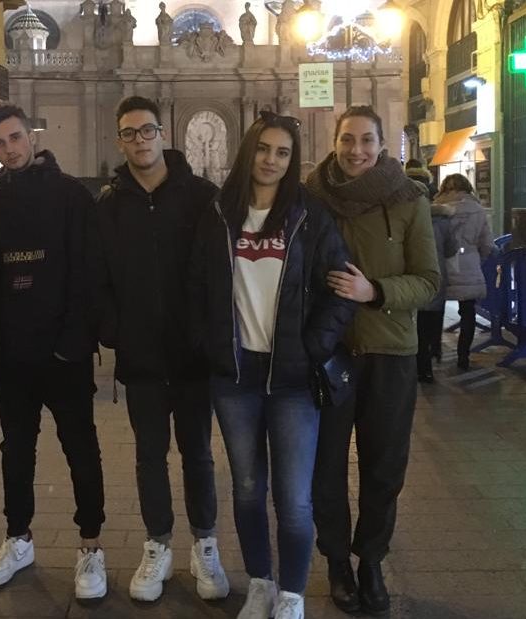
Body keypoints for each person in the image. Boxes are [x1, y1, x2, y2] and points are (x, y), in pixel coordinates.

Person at [190, 111, 355, 619]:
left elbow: (340, 290)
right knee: (246, 488)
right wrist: (211, 345)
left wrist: (313, 348)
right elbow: (197, 288)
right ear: (248, 151)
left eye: (282, 153)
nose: (271, 160)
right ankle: (261, 581)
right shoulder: (220, 213)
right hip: (236, 378)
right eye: (263, 149)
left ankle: (292, 593)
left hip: (293, 380)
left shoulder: (309, 216)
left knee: (294, 498)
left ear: (292, 160)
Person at [88, 96, 228, 603]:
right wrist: (115, 331)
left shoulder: (202, 197)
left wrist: (207, 333)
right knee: (149, 455)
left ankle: (205, 545)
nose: (140, 140)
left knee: (198, 455)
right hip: (141, 356)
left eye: (147, 130)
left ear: (162, 133)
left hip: (192, 355)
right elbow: (98, 275)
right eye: (130, 133)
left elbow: (219, 271)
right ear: (119, 141)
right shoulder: (109, 205)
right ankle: (158, 546)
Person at [305, 105, 439, 615]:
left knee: (384, 468)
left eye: (366, 140)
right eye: (347, 139)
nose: (356, 150)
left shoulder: (408, 200)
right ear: (335, 142)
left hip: (390, 353)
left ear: (382, 145)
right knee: (326, 467)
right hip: (331, 354)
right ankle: (337, 561)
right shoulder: (313, 198)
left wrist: (374, 290)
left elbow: (429, 281)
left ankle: (372, 560)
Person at [0, 103, 107, 601]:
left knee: (81, 450)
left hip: (64, 355)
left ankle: (91, 545)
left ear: (31, 136)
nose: (8, 150)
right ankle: (18, 539)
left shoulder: (71, 195)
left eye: (14, 138)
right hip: (12, 358)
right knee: (15, 452)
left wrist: (74, 342)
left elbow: (88, 271)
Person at [436, 173, 494, 370]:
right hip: (469, 263)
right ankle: (463, 356)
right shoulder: (477, 210)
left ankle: (434, 352)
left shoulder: (436, 209)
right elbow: (487, 244)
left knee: (435, 311)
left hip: (441, 264)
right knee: (468, 313)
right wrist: (477, 259)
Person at [416, 192, 457, 382]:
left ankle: (421, 365)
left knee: (419, 325)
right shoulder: (443, 222)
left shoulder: (408, 217)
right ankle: (434, 354)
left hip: (415, 276)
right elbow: (451, 249)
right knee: (434, 319)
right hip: (437, 275)